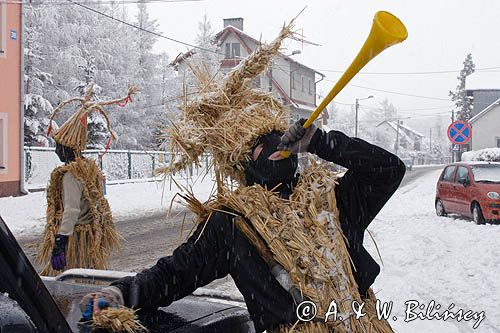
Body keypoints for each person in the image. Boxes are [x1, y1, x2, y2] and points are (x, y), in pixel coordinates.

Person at [81, 119, 405, 333]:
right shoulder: (234, 223)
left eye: (279, 137)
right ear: (246, 164)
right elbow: (177, 272)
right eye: (261, 144)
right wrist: (122, 292)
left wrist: (321, 142)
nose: (276, 144)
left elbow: (389, 168)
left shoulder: (333, 199)